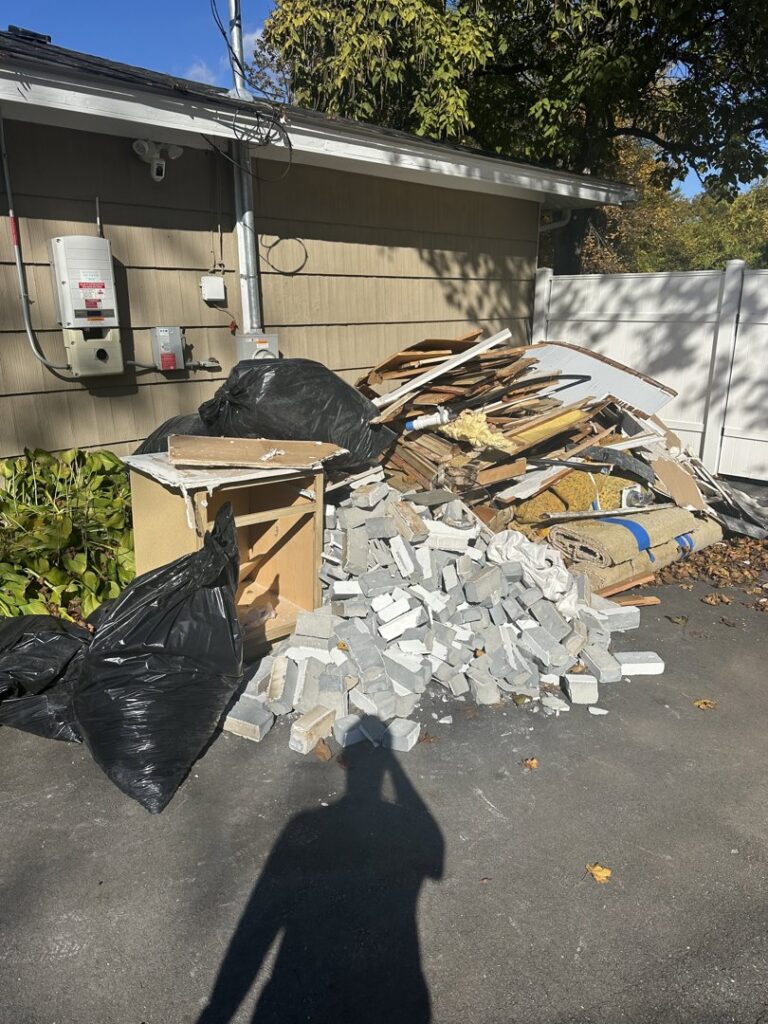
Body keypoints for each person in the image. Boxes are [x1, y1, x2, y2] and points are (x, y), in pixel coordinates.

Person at [197, 725, 444, 1023]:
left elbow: (258, 920)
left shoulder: (306, 822)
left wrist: (217, 1011)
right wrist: (393, 766)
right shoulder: (408, 824)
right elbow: (434, 863)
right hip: (397, 988)